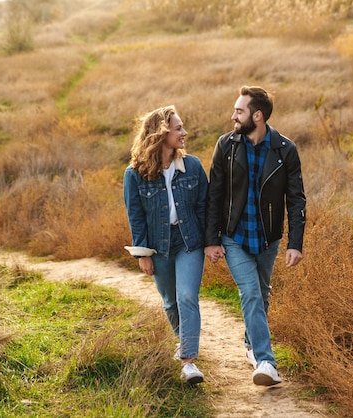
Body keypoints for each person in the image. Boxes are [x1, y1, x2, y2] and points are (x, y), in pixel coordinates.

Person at [204, 86, 306, 386]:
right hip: (234, 237)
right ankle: (266, 361)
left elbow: (296, 199)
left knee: (261, 294)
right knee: (250, 292)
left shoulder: (285, 150)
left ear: (257, 115)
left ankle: (250, 343)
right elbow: (215, 195)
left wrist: (294, 243)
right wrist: (211, 240)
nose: (233, 116)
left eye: (239, 111)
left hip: (267, 239)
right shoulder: (226, 146)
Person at [123, 105, 208, 385]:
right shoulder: (135, 174)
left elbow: (205, 208)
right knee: (170, 301)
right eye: (178, 129)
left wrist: (211, 243)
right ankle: (181, 339)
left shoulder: (193, 166)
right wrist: (142, 254)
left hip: (189, 242)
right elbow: (136, 217)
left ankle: (188, 362)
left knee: (186, 297)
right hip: (158, 247)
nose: (184, 133)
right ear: (161, 134)